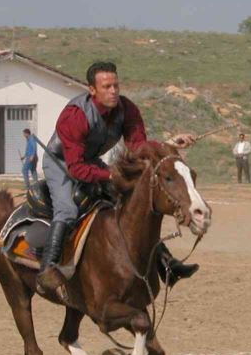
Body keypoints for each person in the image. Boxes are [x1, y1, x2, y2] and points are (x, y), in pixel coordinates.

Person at [38, 61, 198, 293]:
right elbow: (76, 169)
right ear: (92, 90)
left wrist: (168, 143)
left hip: (90, 159)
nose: (113, 91)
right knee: (67, 210)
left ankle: (166, 265)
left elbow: (138, 147)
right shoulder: (74, 116)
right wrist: (110, 174)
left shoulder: (127, 109)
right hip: (61, 162)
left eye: (116, 85)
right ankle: (47, 269)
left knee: (132, 207)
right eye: (106, 87)